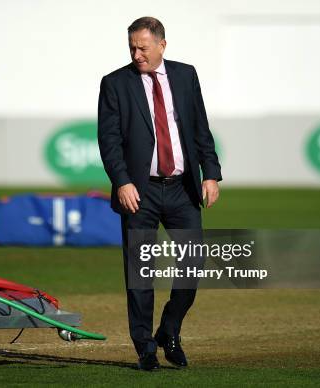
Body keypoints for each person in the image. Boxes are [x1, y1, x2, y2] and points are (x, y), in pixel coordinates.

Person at [97, 16, 222, 371]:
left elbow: (200, 127)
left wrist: (210, 174)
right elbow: (108, 140)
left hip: (182, 189)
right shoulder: (115, 83)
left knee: (192, 265)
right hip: (140, 191)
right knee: (140, 273)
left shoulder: (186, 75)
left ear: (162, 45)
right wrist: (122, 181)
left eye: (143, 47)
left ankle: (168, 330)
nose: (137, 54)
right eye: (132, 48)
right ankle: (145, 347)